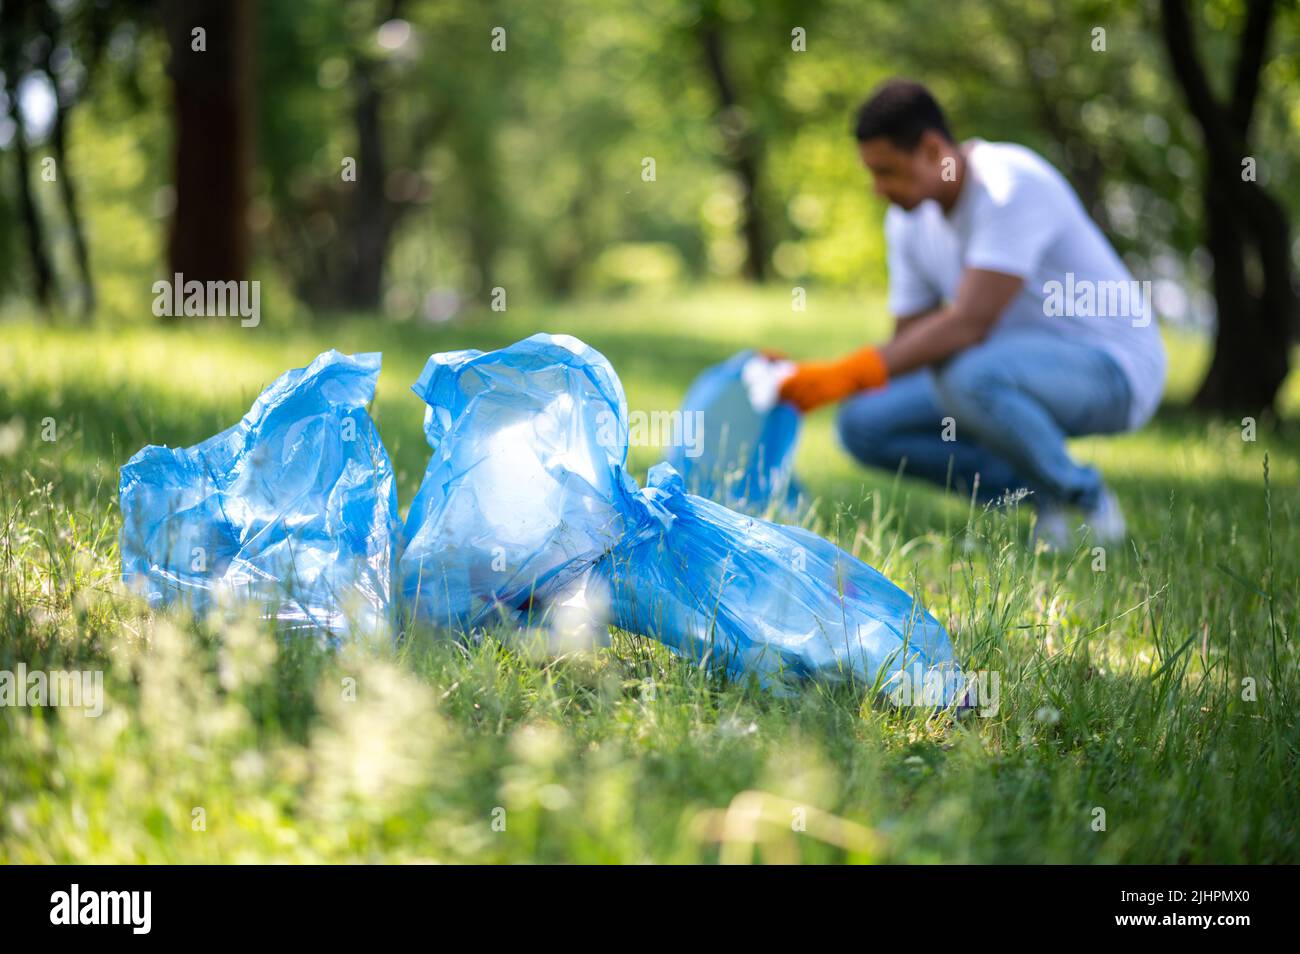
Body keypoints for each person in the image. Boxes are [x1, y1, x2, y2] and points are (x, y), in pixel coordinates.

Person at [778, 79, 1166, 547]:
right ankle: (1039, 499)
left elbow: (967, 324)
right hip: (1006, 367)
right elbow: (913, 342)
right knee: (865, 422)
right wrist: (803, 378)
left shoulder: (1009, 186)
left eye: (887, 171)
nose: (878, 189)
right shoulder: (909, 219)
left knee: (964, 376)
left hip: (1113, 371)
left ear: (932, 149)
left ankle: (1086, 501)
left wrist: (847, 372)